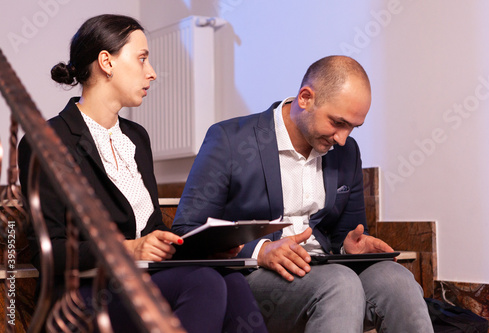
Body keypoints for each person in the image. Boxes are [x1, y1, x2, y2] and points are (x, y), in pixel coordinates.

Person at [18, 14, 267, 333]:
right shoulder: (46, 142)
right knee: (202, 281)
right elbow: (49, 252)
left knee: (230, 277)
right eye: (142, 59)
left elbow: (149, 229)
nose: (151, 73)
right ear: (106, 62)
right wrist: (130, 248)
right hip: (84, 295)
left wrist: (204, 247)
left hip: (142, 280)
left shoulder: (136, 137)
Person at [172, 55, 434, 332]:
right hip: (253, 277)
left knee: (398, 280)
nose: (343, 139)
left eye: (352, 128)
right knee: (338, 283)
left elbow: (343, 232)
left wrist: (351, 246)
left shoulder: (347, 152)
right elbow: (187, 230)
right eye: (337, 123)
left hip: (326, 268)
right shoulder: (230, 140)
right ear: (306, 98)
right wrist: (259, 251)